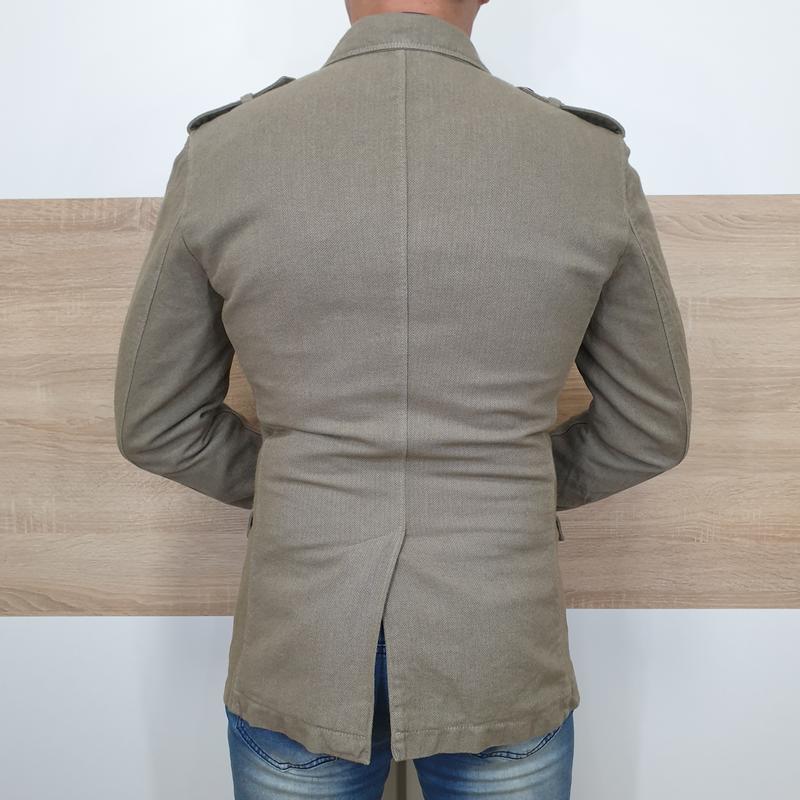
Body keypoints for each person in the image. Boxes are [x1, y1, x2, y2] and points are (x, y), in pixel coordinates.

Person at [114, 1, 692, 797]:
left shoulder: (223, 152)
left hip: (301, 638)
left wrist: (302, 485)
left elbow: (157, 423)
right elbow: (651, 428)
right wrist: (505, 483)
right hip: (498, 635)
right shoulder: (587, 160)